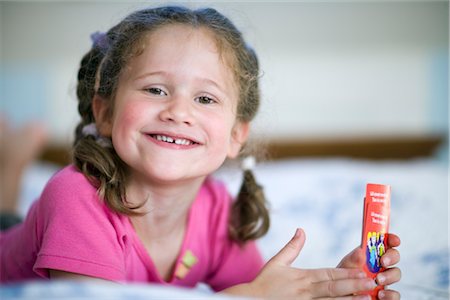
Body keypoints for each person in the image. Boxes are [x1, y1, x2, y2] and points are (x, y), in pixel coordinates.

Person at [0, 6, 401, 299]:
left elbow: (257, 290)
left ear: (235, 136)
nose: (178, 111)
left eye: (206, 98)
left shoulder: (219, 212)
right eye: (155, 89)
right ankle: (11, 165)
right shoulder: (75, 195)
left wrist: (336, 288)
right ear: (104, 112)